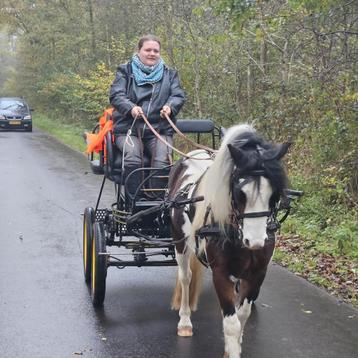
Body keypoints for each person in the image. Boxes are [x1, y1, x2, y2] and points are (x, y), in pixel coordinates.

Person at [109, 34, 186, 198]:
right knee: (133, 158)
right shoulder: (125, 71)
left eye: (156, 51)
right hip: (129, 129)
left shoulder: (170, 74)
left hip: (159, 130)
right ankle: (134, 202)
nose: (152, 53)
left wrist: (170, 107)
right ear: (139, 51)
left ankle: (156, 202)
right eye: (148, 50)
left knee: (163, 160)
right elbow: (117, 95)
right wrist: (131, 108)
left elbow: (178, 96)